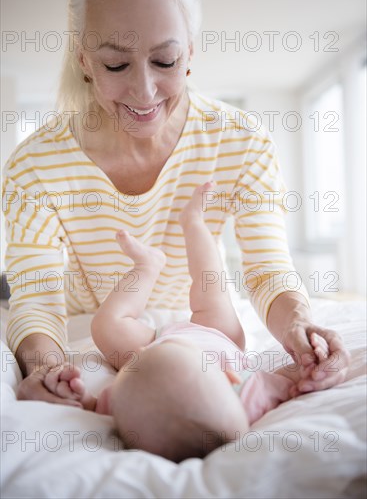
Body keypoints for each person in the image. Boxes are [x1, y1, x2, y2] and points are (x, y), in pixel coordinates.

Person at [3, 0, 349, 408]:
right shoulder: (36, 164)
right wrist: (47, 366)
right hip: (91, 316)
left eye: (164, 61)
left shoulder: (242, 142)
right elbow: (38, 295)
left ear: (190, 53)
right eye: (116, 65)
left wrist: (301, 328)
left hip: (196, 320)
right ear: (84, 60)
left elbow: (267, 269)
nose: (144, 92)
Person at [41, 182, 329, 462]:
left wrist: (81, 397)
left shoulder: (134, 404)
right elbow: (289, 380)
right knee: (210, 282)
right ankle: (193, 222)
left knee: (106, 327)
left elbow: (96, 407)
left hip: (157, 341)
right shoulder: (248, 397)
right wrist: (308, 369)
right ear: (231, 378)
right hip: (219, 336)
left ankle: (147, 267)